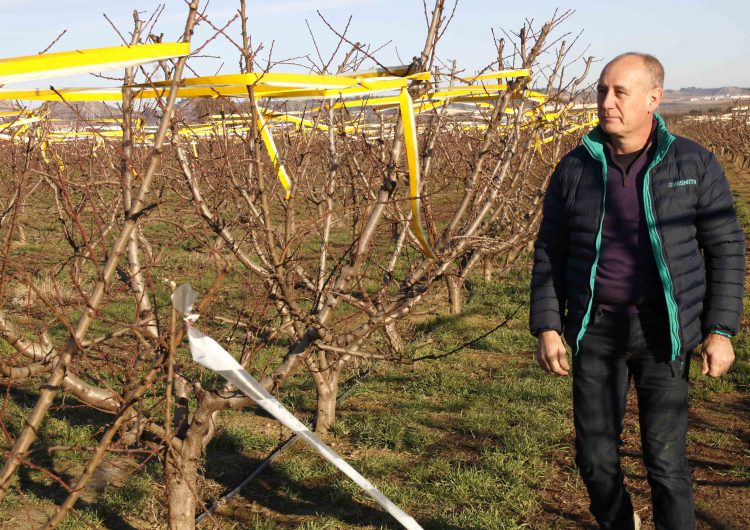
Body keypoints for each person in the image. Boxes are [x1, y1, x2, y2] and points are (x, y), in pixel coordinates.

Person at [529, 52, 745, 530]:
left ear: (653, 98)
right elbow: (550, 251)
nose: (606, 102)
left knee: (666, 462)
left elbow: (726, 248)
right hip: (596, 328)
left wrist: (720, 330)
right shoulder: (575, 168)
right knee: (595, 459)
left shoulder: (693, 163)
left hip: (662, 330)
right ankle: (620, 523)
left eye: (619, 92)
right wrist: (546, 325)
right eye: (601, 90)